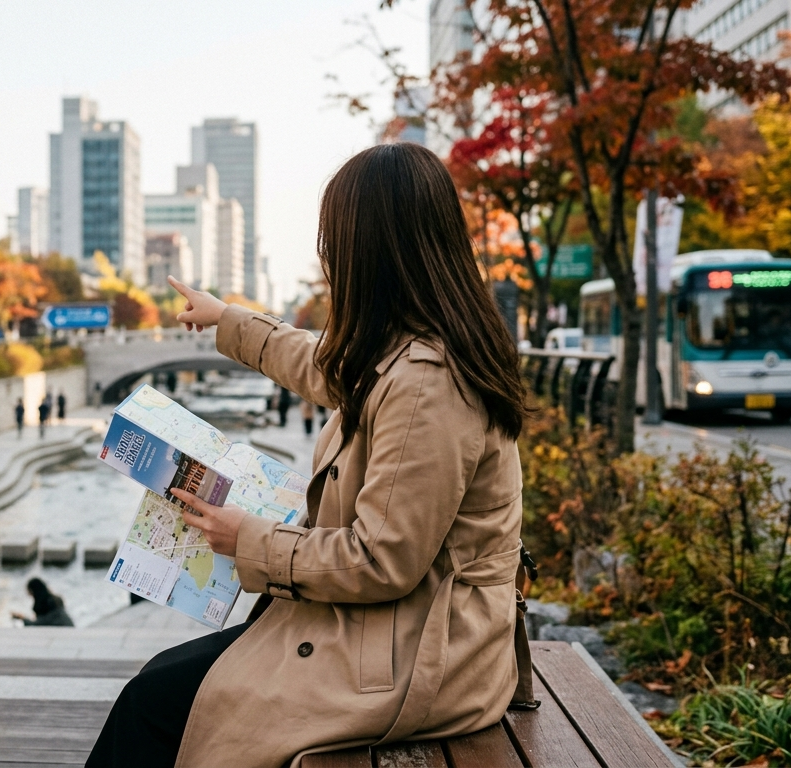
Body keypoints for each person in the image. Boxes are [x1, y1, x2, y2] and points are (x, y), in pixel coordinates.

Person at [89, 144, 533, 768]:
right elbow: (322, 365)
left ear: (370, 253)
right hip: (396, 631)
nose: (327, 260)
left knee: (156, 702)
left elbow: (383, 560)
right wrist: (227, 320)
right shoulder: (410, 352)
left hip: (423, 656)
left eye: (334, 242)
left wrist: (246, 537)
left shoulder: (428, 382)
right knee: (166, 683)